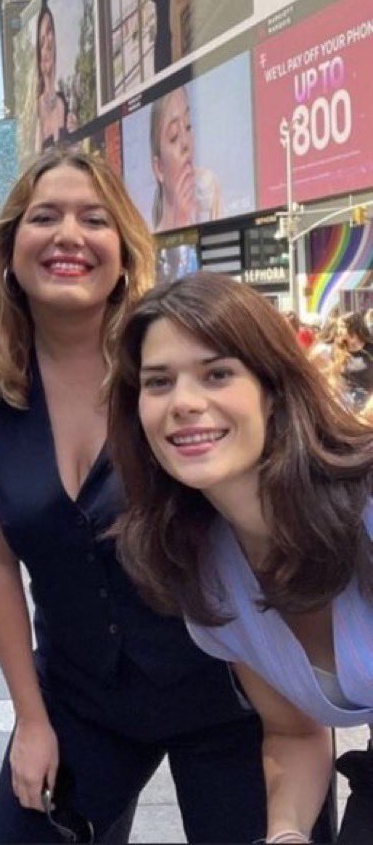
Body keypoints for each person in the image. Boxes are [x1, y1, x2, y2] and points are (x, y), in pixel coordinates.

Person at [0, 145, 270, 844]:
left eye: (93, 218)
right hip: (78, 701)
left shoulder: (177, 364)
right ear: (10, 250)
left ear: (124, 251)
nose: (68, 234)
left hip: (232, 695)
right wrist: (30, 718)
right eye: (44, 217)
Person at [108, 271, 372, 844]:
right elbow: (293, 733)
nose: (183, 403)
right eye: (158, 382)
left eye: (217, 374)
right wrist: (284, 834)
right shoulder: (203, 571)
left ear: (272, 392)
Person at [149, 86, 221, 231]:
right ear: (159, 169)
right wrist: (181, 222)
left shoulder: (210, 187)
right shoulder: (148, 242)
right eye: (174, 136)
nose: (186, 142)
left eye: (188, 126)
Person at [34, 3, 68, 153]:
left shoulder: (66, 103)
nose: (47, 44)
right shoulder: (36, 110)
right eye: (41, 42)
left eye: (49, 32)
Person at [335, 312, 373, 412]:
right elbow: (336, 377)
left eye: (342, 327)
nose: (339, 331)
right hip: (345, 402)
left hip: (368, 403)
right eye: (338, 327)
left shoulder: (370, 348)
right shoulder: (339, 349)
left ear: (354, 328)